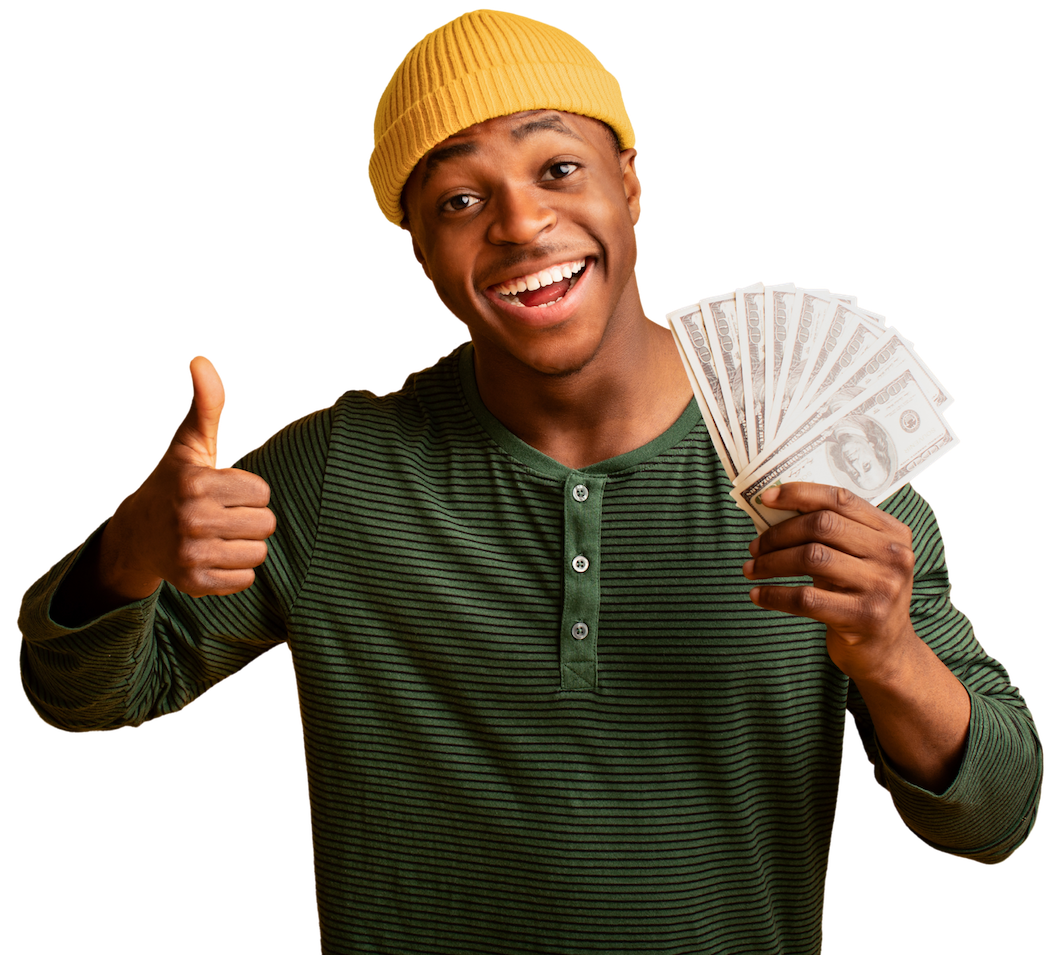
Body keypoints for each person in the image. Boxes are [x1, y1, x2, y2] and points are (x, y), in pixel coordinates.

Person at [17, 9, 1043, 954]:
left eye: (557, 168)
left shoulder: (817, 465)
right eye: (461, 200)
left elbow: (996, 816)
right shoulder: (338, 470)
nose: (517, 222)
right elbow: (83, 696)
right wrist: (129, 547)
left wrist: (890, 654)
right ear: (422, 253)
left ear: (629, 185)